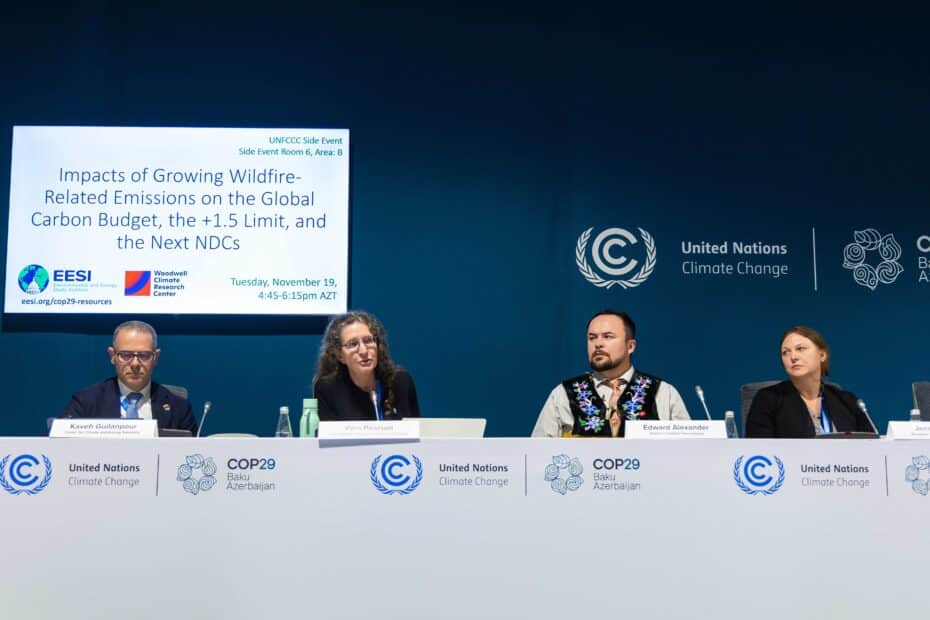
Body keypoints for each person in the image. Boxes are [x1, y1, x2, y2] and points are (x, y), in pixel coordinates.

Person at [532, 310, 689, 437]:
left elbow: (688, 452)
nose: (598, 344)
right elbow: (537, 455)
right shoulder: (564, 393)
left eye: (608, 337)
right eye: (592, 338)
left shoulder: (662, 392)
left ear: (630, 346)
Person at [58, 320, 197, 433]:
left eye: (144, 355)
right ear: (112, 356)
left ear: (156, 357)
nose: (135, 364)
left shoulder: (178, 407)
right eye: (126, 355)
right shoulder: (86, 402)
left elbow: (195, 454)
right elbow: (57, 445)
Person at [745, 326, 874, 438]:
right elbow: (758, 451)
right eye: (785, 352)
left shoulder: (847, 401)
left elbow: (873, 446)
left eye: (800, 349)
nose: (793, 357)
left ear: (822, 355)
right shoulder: (768, 399)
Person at [314, 310, 420, 421]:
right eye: (353, 344)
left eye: (368, 341)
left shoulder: (400, 382)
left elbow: (418, 432)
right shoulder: (328, 389)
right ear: (340, 355)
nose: (364, 351)